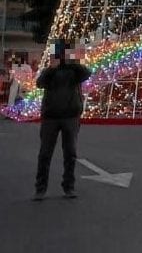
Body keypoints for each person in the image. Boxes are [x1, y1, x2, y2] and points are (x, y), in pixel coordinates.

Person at [34, 43, 91, 201]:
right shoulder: (49, 71)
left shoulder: (74, 71)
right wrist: (52, 68)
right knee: (45, 153)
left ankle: (69, 187)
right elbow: (39, 83)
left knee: (70, 153)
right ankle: (40, 188)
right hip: (50, 116)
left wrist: (73, 61)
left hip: (70, 116)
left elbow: (87, 73)